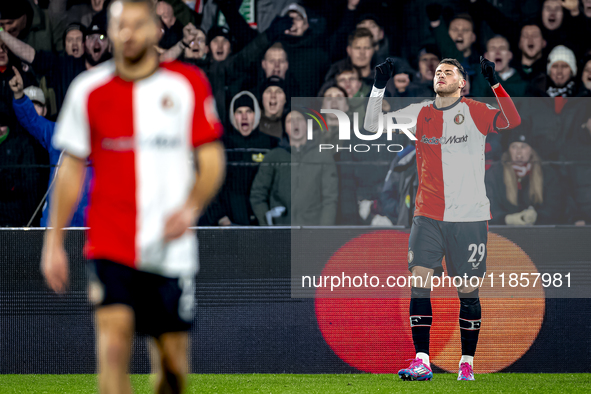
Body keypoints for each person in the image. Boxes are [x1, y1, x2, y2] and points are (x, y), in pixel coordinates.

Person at [40, 1, 225, 394]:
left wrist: (191, 206)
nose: (128, 33)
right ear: (110, 31)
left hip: (171, 247)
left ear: (157, 29)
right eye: (119, 25)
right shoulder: (87, 90)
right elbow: (71, 168)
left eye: (138, 24)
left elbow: (212, 160)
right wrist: (53, 241)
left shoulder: (187, 84)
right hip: (110, 241)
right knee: (112, 345)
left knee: (173, 366)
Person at [364, 56, 521, 380]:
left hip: (470, 217)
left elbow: (512, 120)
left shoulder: (476, 111)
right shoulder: (420, 113)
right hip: (428, 214)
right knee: (419, 283)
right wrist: (378, 86)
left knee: (467, 292)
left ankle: (467, 363)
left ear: (462, 83)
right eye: (438, 71)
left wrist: (495, 82)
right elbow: (370, 126)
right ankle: (421, 360)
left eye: (449, 71)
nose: (441, 75)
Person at [9, 67, 90, 227]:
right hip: (55, 225)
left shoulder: (101, 140)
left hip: (87, 226)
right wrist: (19, 94)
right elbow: (32, 120)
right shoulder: (57, 133)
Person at [250, 110, 338, 226]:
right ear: (285, 128)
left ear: (307, 125)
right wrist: (268, 225)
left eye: (299, 119)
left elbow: (330, 199)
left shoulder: (323, 156)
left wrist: (323, 232)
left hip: (312, 232)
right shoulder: (274, 156)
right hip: (281, 233)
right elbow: (258, 194)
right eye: (290, 121)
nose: (295, 124)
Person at [485, 133, 563, 225]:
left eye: (523, 146)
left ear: (531, 150)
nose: (519, 152)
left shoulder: (547, 173)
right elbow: (489, 206)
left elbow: (555, 206)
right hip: (504, 234)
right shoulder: (495, 173)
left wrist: (537, 216)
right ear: (509, 150)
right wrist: (506, 219)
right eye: (514, 147)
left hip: (539, 233)